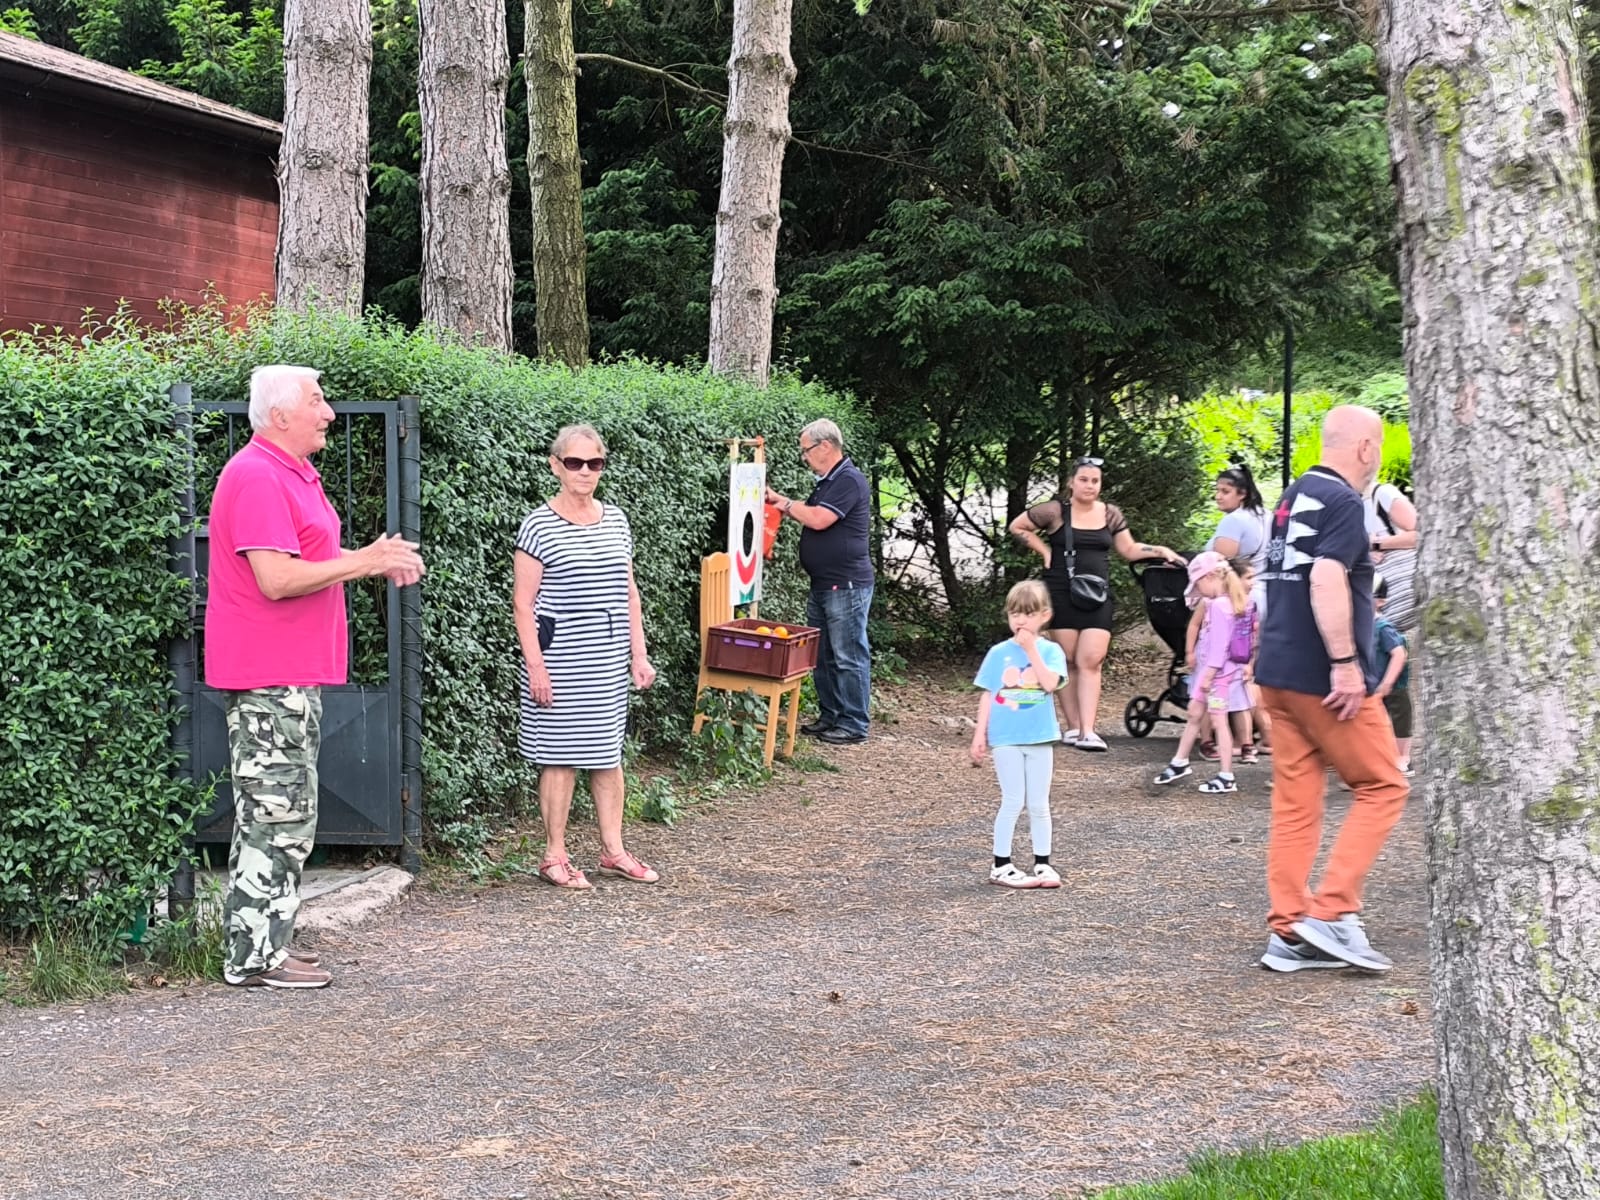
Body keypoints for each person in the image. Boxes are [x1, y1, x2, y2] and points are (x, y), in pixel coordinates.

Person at [208, 365, 425, 989]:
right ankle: (253, 960)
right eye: (317, 401)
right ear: (280, 416)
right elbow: (276, 578)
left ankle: (265, 948)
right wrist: (365, 561)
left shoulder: (291, 473)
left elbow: (311, 560)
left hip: (288, 676)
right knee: (277, 818)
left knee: (283, 817)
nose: (328, 412)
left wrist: (368, 560)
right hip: (267, 676)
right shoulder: (256, 475)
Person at [1255, 405, 1409, 975]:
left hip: (1279, 671)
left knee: (1296, 805)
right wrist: (1345, 664)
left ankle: (1290, 930)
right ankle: (1332, 912)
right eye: (1380, 446)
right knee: (1384, 786)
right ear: (1367, 448)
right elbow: (1324, 577)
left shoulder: (1293, 496)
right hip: (1326, 679)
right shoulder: (1344, 501)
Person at [514, 424, 659, 890]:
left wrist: (639, 654)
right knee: (559, 757)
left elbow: (628, 592)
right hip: (560, 660)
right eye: (574, 462)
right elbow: (523, 604)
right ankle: (553, 856)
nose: (584, 471)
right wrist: (536, 667)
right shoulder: (538, 525)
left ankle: (613, 852)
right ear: (556, 466)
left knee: (606, 754)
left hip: (608, 661)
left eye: (594, 463)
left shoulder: (616, 519)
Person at [1007, 456, 1184, 752]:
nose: (1089, 485)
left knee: (1091, 659)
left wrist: (1159, 550)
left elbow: (1129, 549)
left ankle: (1088, 731)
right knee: (1068, 660)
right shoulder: (1055, 511)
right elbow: (1018, 526)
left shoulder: (1110, 513)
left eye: (1095, 481)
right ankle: (1073, 727)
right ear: (1072, 482)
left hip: (1097, 593)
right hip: (1061, 591)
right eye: (1084, 480)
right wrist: (1044, 551)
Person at [764, 419, 874, 745]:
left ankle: (853, 723)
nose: (804, 457)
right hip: (825, 583)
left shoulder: (848, 480)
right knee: (823, 655)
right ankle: (831, 715)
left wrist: (784, 503)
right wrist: (779, 500)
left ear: (825, 446)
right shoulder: (828, 481)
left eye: (806, 450)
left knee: (847, 654)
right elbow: (810, 513)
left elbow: (818, 519)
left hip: (846, 585)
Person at [969, 581, 1068, 889]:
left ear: (1044, 616)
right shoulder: (998, 653)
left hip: (1040, 736)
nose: (1020, 620)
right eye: (1015, 614)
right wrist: (980, 734)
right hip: (1006, 738)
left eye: (1028, 614)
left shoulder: (1051, 651)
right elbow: (988, 694)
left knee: (1039, 803)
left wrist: (1030, 650)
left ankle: (1043, 863)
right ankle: (1001, 865)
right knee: (1012, 800)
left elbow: (1050, 684)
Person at [1154, 552, 1248, 793]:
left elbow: (1220, 646)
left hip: (1216, 677)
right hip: (1214, 674)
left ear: (1209, 577)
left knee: (1218, 721)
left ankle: (1226, 775)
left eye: (1198, 584)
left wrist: (1208, 676)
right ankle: (1179, 761)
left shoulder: (1218, 606)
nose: (1198, 590)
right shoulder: (1228, 603)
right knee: (1195, 713)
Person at [1365, 479, 1419, 631]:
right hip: (1387, 616)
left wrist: (1376, 544)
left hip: (1409, 593)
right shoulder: (1343, 508)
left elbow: (1420, 534)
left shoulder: (1382, 493)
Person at [1373, 576, 1414, 777]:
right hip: (1372, 686)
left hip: (1393, 686)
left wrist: (1387, 683)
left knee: (1400, 721)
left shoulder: (1382, 628)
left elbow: (1399, 654)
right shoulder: (1359, 627)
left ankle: (1402, 758)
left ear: (1380, 601)